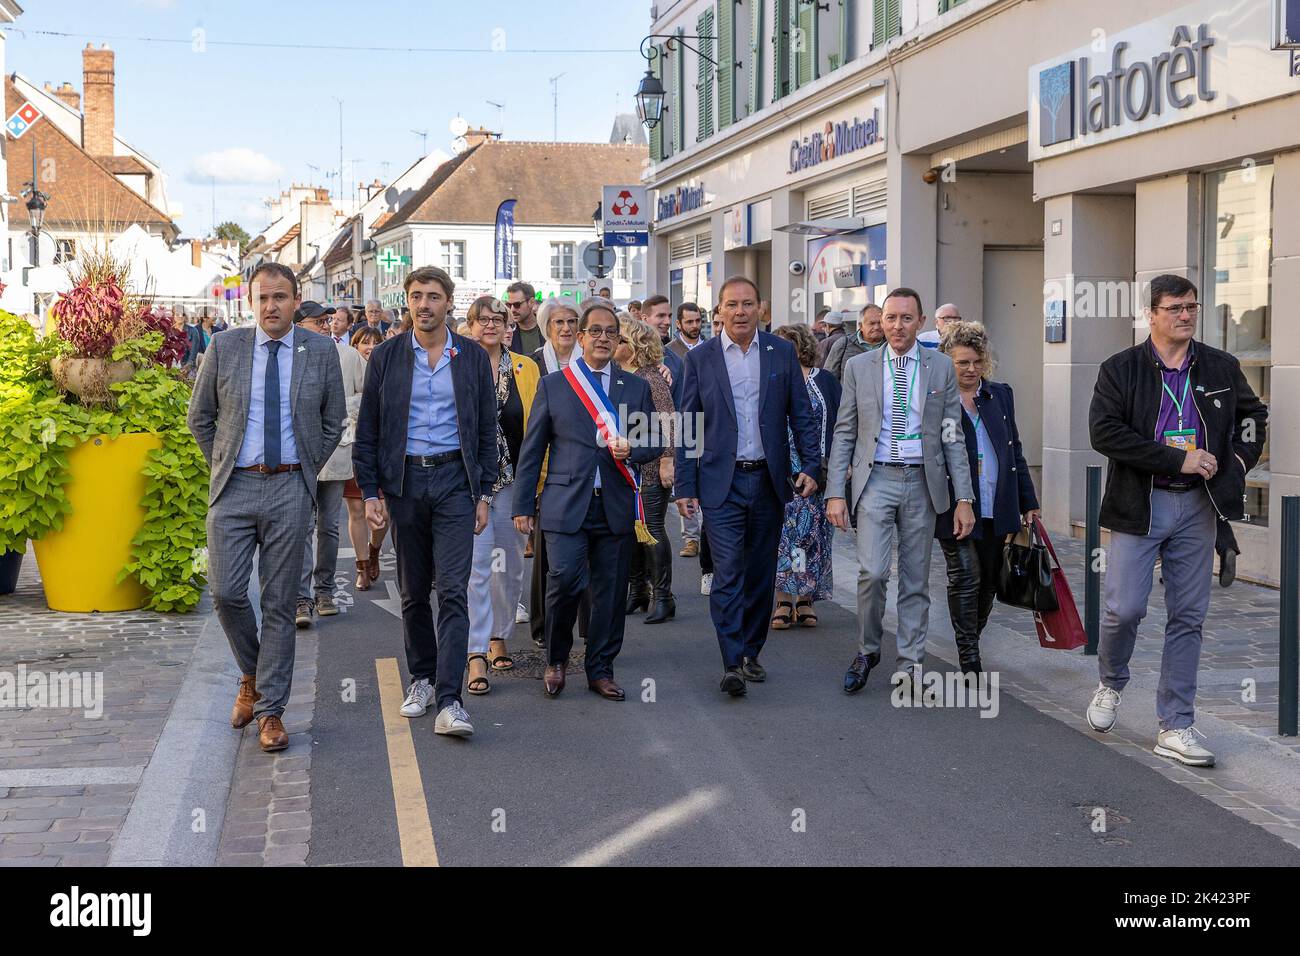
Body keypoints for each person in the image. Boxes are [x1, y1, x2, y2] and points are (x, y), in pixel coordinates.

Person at [1085, 274, 1267, 768]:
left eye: (1192, 307)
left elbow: (1253, 417)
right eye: (1174, 308)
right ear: (1151, 313)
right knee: (1124, 609)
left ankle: (1177, 724)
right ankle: (1111, 682)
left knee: (1188, 616)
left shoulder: (1220, 366)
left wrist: (1237, 464)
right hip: (1139, 504)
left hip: (1198, 506)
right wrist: (1175, 458)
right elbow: (1105, 433)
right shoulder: (1121, 368)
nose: (1185, 315)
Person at [187, 262, 345, 752]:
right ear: (251, 302)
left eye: (280, 297)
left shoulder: (318, 349)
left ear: (297, 300)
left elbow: (333, 419)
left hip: (288, 488)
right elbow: (201, 417)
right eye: (262, 298)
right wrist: (226, 461)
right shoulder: (226, 346)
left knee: (279, 603)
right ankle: (252, 675)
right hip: (233, 487)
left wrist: (304, 469)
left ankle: (271, 712)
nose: (271, 306)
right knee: (226, 591)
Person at [352, 265, 497, 739]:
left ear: (449, 303)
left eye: (433, 296)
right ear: (407, 302)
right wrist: (371, 490)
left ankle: (452, 699)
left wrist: (483, 492)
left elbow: (485, 429)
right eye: (417, 296)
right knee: (414, 591)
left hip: (456, 480)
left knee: (453, 590)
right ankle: (423, 679)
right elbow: (369, 428)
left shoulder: (471, 356)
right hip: (406, 482)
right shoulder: (388, 357)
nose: (424, 305)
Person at [675, 276, 821, 696]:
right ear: (717, 311)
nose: (739, 312)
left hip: (769, 481)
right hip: (721, 483)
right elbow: (689, 425)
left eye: (747, 303)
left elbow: (802, 415)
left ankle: (751, 651)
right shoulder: (700, 359)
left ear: (761, 307)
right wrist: (685, 483)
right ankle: (730, 660)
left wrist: (812, 464)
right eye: (731, 305)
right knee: (728, 572)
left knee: (760, 573)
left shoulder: (781, 352)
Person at [826, 287, 974, 695]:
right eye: (891, 317)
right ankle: (868, 648)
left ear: (921, 323)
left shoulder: (940, 367)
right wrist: (835, 491)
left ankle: (910, 663)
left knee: (915, 579)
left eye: (906, 318)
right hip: (875, 480)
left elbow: (952, 435)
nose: (897, 326)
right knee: (872, 572)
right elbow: (845, 432)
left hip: (922, 482)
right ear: (879, 321)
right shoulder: (860, 367)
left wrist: (964, 498)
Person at [513, 301, 660, 701]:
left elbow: (655, 442)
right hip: (565, 503)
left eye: (610, 331)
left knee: (610, 592)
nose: (602, 338)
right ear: (580, 338)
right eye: (594, 331)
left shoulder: (635, 387)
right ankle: (557, 660)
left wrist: (634, 449)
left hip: (613, 504)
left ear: (619, 339)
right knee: (563, 581)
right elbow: (532, 450)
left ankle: (600, 668)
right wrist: (523, 505)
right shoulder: (555, 385)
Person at [935, 321, 1039, 673]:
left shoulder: (1000, 395)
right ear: (947, 362)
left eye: (977, 361)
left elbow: (1016, 451)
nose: (971, 369)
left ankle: (971, 638)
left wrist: (1029, 501)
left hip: (997, 500)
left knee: (990, 580)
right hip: (954, 504)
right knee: (966, 575)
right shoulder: (937, 399)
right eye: (962, 362)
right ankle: (969, 656)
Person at [462, 295, 539, 695]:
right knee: (477, 568)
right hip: (469, 485)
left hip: (514, 483)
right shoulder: (457, 364)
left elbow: (537, 429)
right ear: (470, 325)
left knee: (507, 566)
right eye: (482, 319)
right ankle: (478, 651)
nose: (490, 326)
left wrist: (535, 487)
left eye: (498, 319)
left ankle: (499, 634)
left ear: (508, 326)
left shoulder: (526, 369)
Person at [294, 304, 367, 625]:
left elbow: (367, 394)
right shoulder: (289, 355)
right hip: (297, 454)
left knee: (329, 527)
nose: (326, 326)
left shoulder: (349, 357)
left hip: (335, 450)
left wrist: (338, 406)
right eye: (319, 322)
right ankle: (300, 597)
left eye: (328, 321)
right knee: (299, 528)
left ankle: (324, 590)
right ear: (300, 325)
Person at [525, 298, 590, 647]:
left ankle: (588, 628)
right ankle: (544, 627)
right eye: (558, 322)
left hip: (584, 467)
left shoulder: (592, 363)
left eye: (571, 322)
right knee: (547, 555)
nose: (565, 328)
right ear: (546, 327)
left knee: (586, 553)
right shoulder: (533, 364)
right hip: (546, 468)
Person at [771, 324, 841, 630]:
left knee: (811, 537)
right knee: (783, 538)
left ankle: (805, 598)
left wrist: (841, 464)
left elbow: (841, 422)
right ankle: (784, 598)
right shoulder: (771, 381)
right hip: (780, 471)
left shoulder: (823, 380)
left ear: (800, 347)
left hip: (816, 472)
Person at [617, 316, 677, 624]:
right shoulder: (622, 375)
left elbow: (668, 421)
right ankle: (637, 590)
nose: (614, 343)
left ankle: (663, 596)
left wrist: (668, 459)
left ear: (634, 346)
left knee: (652, 528)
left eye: (620, 339)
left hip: (652, 468)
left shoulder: (650, 377)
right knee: (633, 531)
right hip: (630, 468)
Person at [344, 327, 388, 590]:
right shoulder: (347, 366)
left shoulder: (388, 367)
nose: (370, 347)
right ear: (356, 346)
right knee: (356, 509)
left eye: (375, 342)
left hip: (384, 448)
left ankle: (374, 549)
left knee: (384, 511)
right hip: (351, 443)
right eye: (364, 342)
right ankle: (362, 566)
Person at [667, 302, 704, 558]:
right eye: (689, 321)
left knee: (707, 475)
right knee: (686, 476)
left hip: (709, 421)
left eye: (698, 320)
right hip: (683, 420)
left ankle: (708, 533)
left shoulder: (712, 348)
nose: (694, 325)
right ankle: (691, 537)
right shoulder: (670, 351)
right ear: (678, 324)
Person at [823, 303, 884, 380]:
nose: (877, 327)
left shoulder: (890, 346)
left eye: (880, 323)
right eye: (872, 323)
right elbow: (828, 377)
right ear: (860, 326)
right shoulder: (844, 344)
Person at [505, 281, 545, 356]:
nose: (512, 309)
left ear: (531, 302)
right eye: (509, 305)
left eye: (517, 304)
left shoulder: (548, 329)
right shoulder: (507, 332)